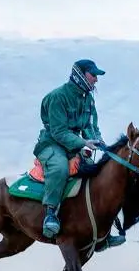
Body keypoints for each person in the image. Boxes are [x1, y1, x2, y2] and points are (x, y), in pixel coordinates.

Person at [34, 59, 111, 243]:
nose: (96, 80)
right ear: (81, 74)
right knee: (59, 168)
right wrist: (83, 142)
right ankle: (50, 214)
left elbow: (92, 126)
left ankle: (98, 231)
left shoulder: (88, 100)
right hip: (51, 144)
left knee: (97, 173)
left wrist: (101, 143)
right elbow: (58, 131)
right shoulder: (58, 97)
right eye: (93, 75)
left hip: (74, 144)